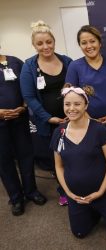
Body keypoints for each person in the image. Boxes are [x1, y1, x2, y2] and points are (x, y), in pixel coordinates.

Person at [50, 84, 106, 238]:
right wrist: (69, 193)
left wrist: (100, 192)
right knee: (79, 233)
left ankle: (103, 208)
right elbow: (58, 167)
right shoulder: (59, 132)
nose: (72, 108)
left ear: (86, 105)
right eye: (67, 104)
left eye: (77, 104)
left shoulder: (99, 130)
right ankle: (90, 211)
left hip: (104, 192)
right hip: (76, 196)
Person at [20, 20, 72, 206]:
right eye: (40, 43)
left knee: (76, 156)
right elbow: (29, 97)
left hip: (73, 120)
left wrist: (74, 114)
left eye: (48, 42)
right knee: (57, 158)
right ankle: (63, 191)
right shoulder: (29, 66)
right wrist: (49, 118)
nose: (45, 46)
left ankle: (80, 186)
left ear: (54, 41)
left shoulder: (67, 61)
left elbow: (77, 88)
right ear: (34, 45)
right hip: (50, 123)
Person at [0, 49, 46, 215]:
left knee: (26, 156)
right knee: (4, 161)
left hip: (20, 119)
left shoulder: (16, 62)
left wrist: (25, 105)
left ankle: (31, 191)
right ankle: (16, 198)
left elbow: (28, 86)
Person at [65, 25, 106, 144]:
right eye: (84, 43)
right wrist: (87, 117)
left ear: (100, 43)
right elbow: (69, 96)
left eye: (92, 41)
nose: (89, 46)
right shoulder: (75, 66)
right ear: (80, 46)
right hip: (86, 125)